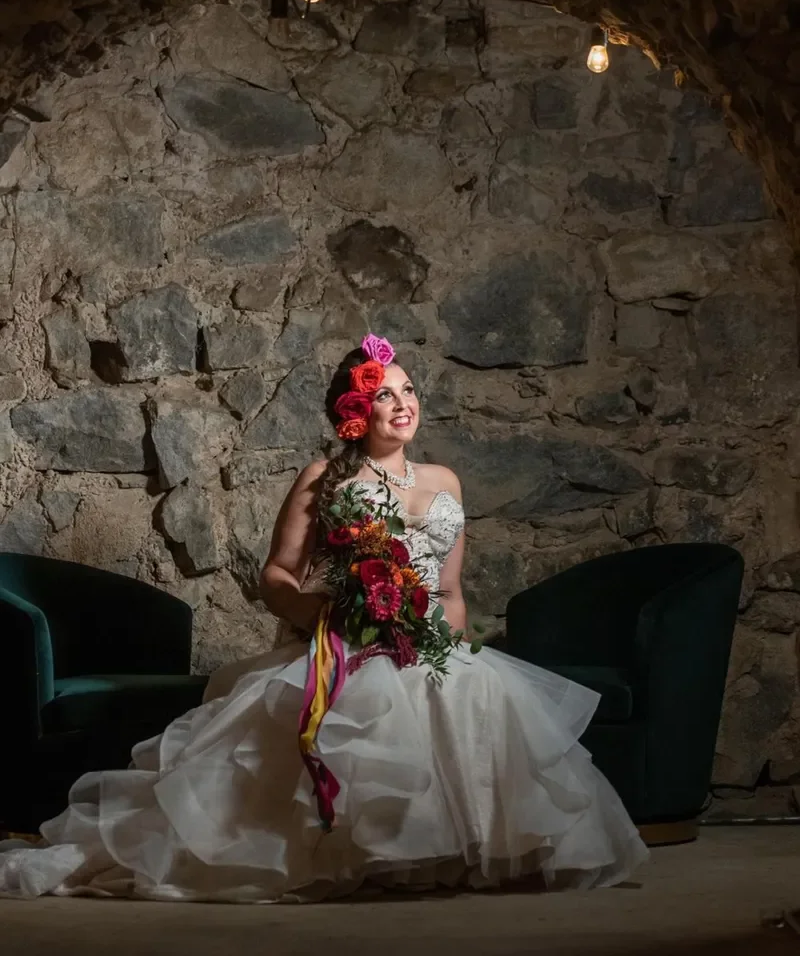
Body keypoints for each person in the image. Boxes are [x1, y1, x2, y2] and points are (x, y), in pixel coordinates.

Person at [0, 335, 648, 901]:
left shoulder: (445, 482)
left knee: (469, 697)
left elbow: (450, 590)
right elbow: (276, 575)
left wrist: (435, 642)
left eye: (408, 390)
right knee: (342, 727)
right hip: (340, 645)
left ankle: (434, 855)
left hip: (423, 643)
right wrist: (331, 614)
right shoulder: (325, 476)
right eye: (385, 395)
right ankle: (341, 856)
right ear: (355, 412)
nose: (402, 404)